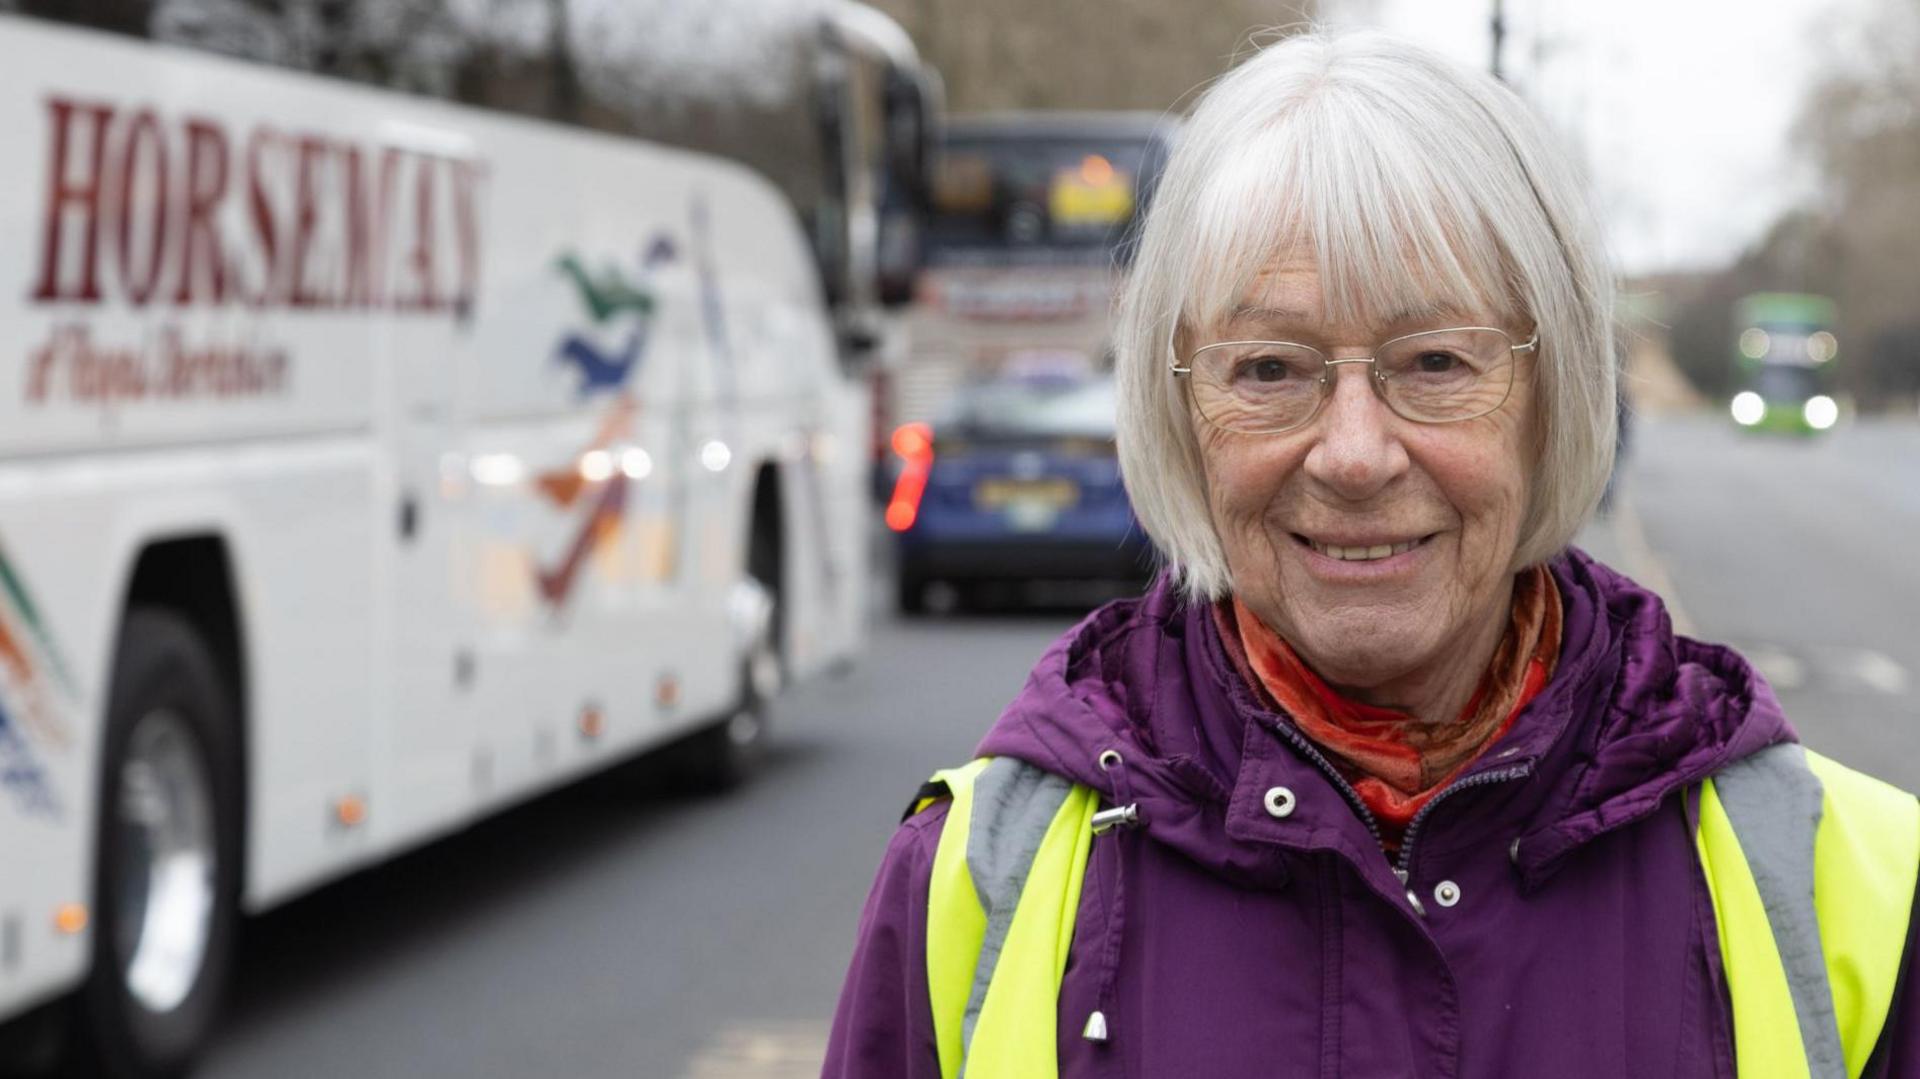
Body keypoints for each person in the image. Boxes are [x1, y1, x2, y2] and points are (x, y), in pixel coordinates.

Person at [822, 30, 1919, 1079]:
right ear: (1176, 404)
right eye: (1268, 369)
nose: (1352, 453)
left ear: (1557, 393)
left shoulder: (1843, 887)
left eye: (1436, 360)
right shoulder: (974, 877)